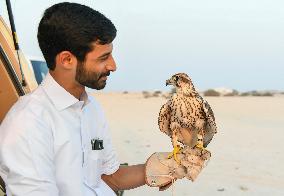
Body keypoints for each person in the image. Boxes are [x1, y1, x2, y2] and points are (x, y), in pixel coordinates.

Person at [0, 2, 146, 196]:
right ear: (67, 60)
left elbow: (110, 177)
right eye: (103, 58)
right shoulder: (28, 122)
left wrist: (160, 168)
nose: (113, 65)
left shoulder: (91, 107)